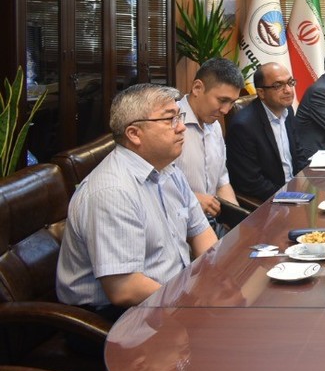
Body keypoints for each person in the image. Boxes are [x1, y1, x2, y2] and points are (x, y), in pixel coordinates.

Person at [56, 84, 215, 322]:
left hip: (171, 293)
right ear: (134, 134)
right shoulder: (112, 191)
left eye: (179, 116)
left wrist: (213, 279)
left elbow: (201, 232)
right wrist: (189, 304)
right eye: (169, 119)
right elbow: (125, 289)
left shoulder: (168, 169)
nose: (182, 127)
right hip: (118, 315)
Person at [175, 57, 242, 232]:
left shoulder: (215, 126)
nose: (226, 110)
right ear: (197, 88)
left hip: (213, 224)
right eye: (222, 100)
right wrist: (192, 199)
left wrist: (237, 221)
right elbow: (152, 189)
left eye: (232, 103)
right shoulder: (168, 123)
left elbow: (221, 182)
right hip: (179, 228)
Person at [225, 62, 305, 202]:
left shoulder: (287, 110)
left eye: (290, 82)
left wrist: (308, 185)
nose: (288, 90)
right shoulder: (243, 126)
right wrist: (290, 197)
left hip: (296, 191)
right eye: (278, 85)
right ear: (261, 92)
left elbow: (299, 155)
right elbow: (251, 182)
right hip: (269, 201)